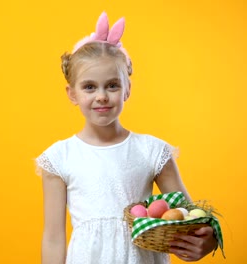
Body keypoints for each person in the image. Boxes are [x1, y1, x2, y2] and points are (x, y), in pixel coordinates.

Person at [36, 12, 219, 263]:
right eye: (89, 87)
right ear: (72, 94)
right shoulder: (60, 158)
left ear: (127, 89)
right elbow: (53, 237)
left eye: (112, 85)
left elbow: (188, 217)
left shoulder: (152, 151)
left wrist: (206, 240)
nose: (101, 96)